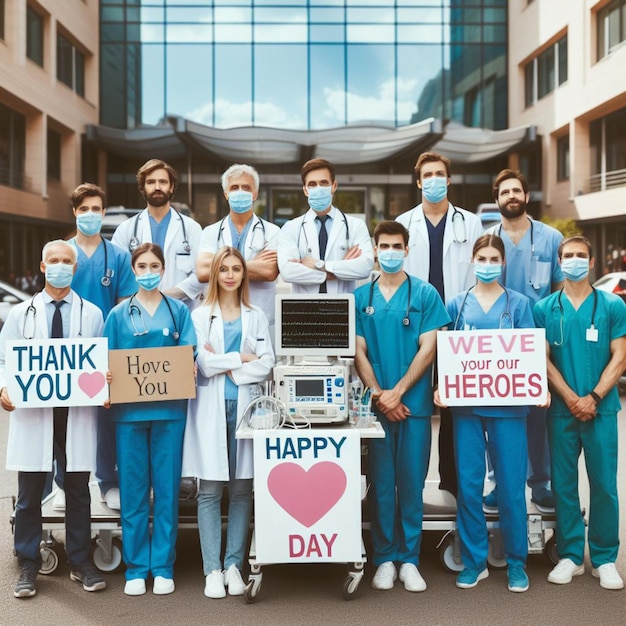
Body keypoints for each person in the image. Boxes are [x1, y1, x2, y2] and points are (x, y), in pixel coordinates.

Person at [0, 240, 106, 598]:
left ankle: (80, 561)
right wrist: (4, 389)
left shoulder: (91, 313)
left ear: (74, 268)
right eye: (54, 260)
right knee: (30, 492)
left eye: (67, 261)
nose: (60, 266)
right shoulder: (20, 313)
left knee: (77, 489)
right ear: (43, 266)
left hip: (75, 414)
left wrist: (104, 387)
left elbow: (99, 360)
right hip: (35, 413)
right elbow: (4, 360)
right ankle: (28, 562)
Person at [434, 234, 536, 593]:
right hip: (467, 409)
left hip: (509, 408)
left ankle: (516, 563)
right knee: (469, 485)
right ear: (473, 261)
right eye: (483, 257)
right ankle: (475, 561)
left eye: (495, 258)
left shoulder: (520, 304)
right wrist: (442, 387)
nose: (489, 263)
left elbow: (530, 354)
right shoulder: (457, 305)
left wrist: (536, 387)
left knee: (510, 487)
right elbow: (444, 352)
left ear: (503, 263)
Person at [354, 220, 449, 592]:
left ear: (407, 250)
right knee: (381, 485)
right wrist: (380, 394)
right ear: (375, 250)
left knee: (410, 483)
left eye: (397, 246)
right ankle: (383, 559)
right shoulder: (362, 297)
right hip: (378, 407)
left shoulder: (425, 295)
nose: (391, 252)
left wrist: (399, 392)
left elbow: (430, 347)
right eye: (384, 246)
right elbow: (359, 351)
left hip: (413, 407)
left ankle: (409, 559)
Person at [103, 243, 197, 596]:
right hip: (128, 414)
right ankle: (136, 568)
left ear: (163, 269)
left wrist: (190, 363)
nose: (148, 271)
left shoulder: (178, 312)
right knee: (133, 491)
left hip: (170, 412)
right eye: (141, 266)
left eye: (154, 265)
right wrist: (108, 379)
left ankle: (162, 566)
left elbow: (190, 351)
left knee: (168, 490)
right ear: (133, 269)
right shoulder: (118, 314)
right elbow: (105, 359)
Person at [534, 235, 626, 590]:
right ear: (559, 263)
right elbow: (540, 359)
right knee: (564, 486)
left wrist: (593, 396)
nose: (573, 260)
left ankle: (603, 558)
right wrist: (572, 398)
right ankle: (572, 555)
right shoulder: (545, 309)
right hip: (561, 410)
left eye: (580, 256)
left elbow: (620, 356)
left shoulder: (612, 306)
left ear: (591, 263)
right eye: (567, 255)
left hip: (601, 410)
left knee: (604, 485)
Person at [182, 246, 275, 599]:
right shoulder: (199, 315)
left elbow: (267, 362)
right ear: (216, 275)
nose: (231, 275)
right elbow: (202, 365)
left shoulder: (255, 315)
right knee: (209, 490)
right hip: (210, 408)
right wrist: (239, 358)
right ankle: (211, 570)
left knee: (240, 490)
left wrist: (227, 365)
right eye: (224, 269)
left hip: (247, 409)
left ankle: (234, 565)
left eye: (237, 269)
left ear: (243, 275)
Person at [396, 151, 483, 499]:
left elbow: (479, 275)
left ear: (448, 180)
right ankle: (411, 487)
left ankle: (453, 485)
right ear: (418, 182)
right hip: (416, 326)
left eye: (439, 174)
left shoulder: (471, 223)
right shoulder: (404, 223)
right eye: (426, 175)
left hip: (458, 325)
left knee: (456, 410)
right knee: (417, 404)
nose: (433, 180)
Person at [52, 183, 136, 512]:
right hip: (66, 350)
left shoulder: (117, 256)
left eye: (96, 209)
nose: (90, 215)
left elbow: (123, 307)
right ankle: (61, 482)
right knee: (63, 418)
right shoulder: (63, 254)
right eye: (83, 209)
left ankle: (108, 481)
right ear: (74, 212)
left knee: (105, 417)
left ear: (104, 213)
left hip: (103, 349)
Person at [485, 169, 563, 514]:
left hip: (538, 341)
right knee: (498, 415)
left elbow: (560, 290)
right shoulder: (489, 240)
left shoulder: (550, 238)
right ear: (497, 199)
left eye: (517, 190)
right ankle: (500, 481)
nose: (511, 196)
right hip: (498, 345)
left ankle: (540, 483)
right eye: (505, 192)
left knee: (537, 415)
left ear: (527, 196)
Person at [196, 164, 279, 338]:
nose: (240, 191)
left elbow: (270, 271)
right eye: (234, 187)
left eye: (246, 187)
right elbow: (203, 272)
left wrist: (220, 266)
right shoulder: (211, 232)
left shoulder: (272, 232)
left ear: (255, 194)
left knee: (258, 363)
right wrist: (253, 265)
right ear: (226, 194)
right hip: (219, 317)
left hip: (260, 317)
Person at [111, 158, 204, 306]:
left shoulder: (191, 228)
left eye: (163, 182)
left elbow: (202, 273)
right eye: (151, 182)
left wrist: (168, 295)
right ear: (143, 188)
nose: (157, 187)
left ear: (172, 187)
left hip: (181, 310)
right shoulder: (126, 229)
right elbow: (119, 275)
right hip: (139, 310)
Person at [277, 158, 374, 294]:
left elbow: (365, 267)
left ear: (334, 186)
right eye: (312, 184)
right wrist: (335, 272)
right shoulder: (291, 228)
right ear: (305, 190)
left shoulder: (355, 226)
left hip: (341, 308)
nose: (318, 188)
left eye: (323, 183)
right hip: (304, 310)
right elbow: (287, 272)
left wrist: (320, 265)